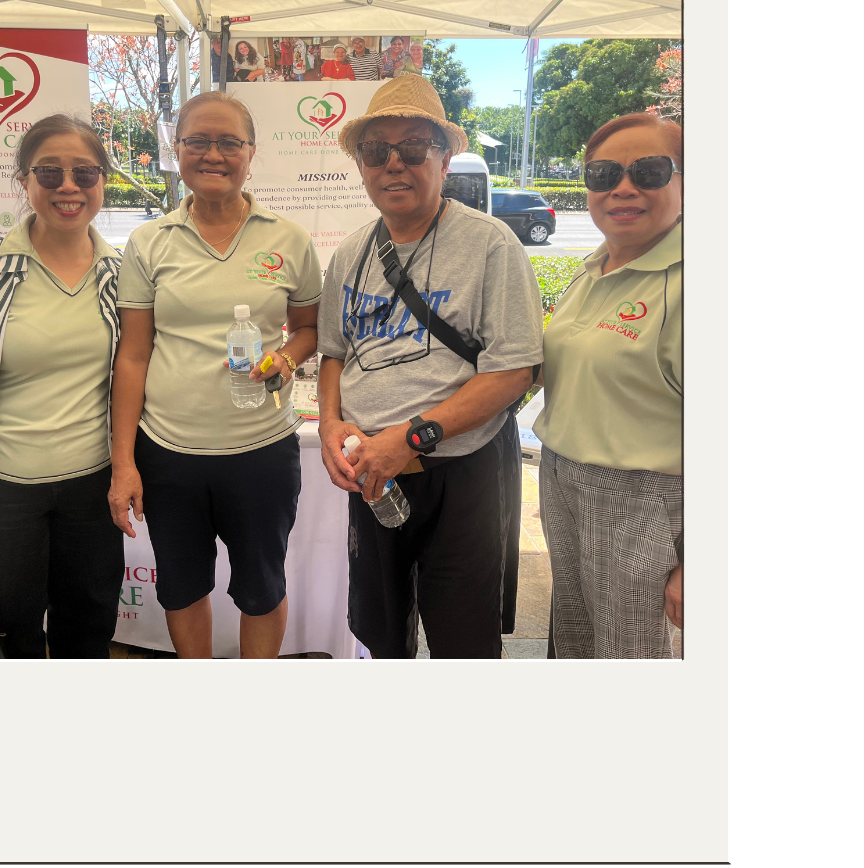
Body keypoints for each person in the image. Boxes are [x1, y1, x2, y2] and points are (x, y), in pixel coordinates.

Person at [316, 75, 544, 659]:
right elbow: (334, 352)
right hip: (372, 471)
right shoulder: (351, 253)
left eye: (414, 147)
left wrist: (410, 438)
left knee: (462, 639)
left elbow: (514, 371)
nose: (394, 163)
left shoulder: (491, 245)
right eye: (377, 150)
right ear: (361, 166)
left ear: (444, 160)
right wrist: (330, 423)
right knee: (380, 630)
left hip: (461, 473)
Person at [108, 91, 323, 659]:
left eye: (229, 142)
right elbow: (133, 355)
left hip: (262, 450)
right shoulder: (149, 242)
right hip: (169, 453)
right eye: (198, 141)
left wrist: (287, 358)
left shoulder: (289, 238)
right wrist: (125, 462)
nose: (213, 154)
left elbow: (308, 328)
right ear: (176, 149)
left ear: (251, 152)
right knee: (181, 588)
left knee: (262, 587)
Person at [0, 115, 125, 659]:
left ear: (103, 180)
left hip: (93, 488)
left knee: (88, 628)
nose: (68, 186)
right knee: (10, 631)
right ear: (24, 180)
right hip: (3, 491)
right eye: (49, 172)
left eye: (84, 172)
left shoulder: (122, 274)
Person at [533, 113, 683, 660]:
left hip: (643, 500)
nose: (622, 187)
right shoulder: (591, 268)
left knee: (632, 656)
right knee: (577, 643)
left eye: (649, 171)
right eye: (603, 174)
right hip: (563, 480)